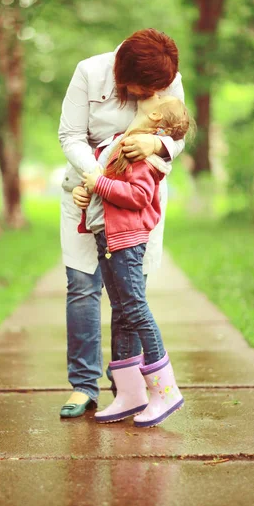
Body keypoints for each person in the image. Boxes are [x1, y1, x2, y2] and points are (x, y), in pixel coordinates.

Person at [58, 29, 185, 418]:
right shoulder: (88, 72)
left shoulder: (168, 77)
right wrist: (94, 181)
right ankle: (83, 385)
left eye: (157, 90)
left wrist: (156, 144)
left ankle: (127, 388)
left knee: (129, 296)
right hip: (89, 190)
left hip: (132, 209)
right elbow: (71, 135)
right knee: (82, 285)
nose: (150, 96)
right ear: (121, 72)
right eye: (144, 88)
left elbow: (178, 131)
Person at [81, 95, 193, 427]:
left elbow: (141, 196)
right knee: (124, 312)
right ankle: (131, 394)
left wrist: (99, 184)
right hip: (109, 238)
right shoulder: (124, 142)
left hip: (127, 241)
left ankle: (166, 390)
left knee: (136, 310)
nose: (150, 95)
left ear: (156, 114)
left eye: (158, 97)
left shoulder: (142, 154)